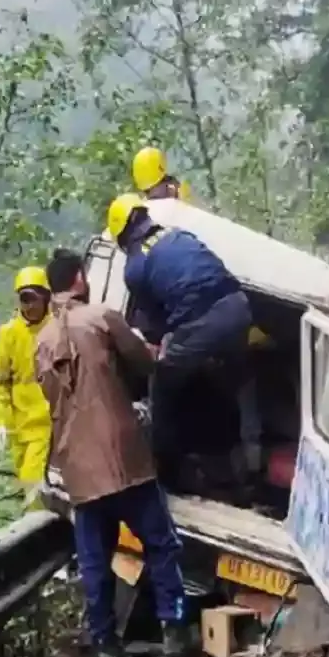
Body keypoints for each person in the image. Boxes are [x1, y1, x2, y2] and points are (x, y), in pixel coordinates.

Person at [34, 248, 189, 657]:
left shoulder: (41, 343)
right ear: (81, 279)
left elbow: (55, 401)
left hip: (79, 473)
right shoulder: (102, 317)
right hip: (124, 459)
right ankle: (174, 631)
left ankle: (106, 650)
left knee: (95, 563)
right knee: (160, 544)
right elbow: (144, 361)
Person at [105, 194, 261, 480]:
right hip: (238, 306)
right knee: (241, 379)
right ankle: (253, 459)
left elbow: (155, 326)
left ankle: (165, 468)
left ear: (121, 235)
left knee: (162, 383)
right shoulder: (178, 234)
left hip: (203, 323)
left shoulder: (136, 266)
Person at [0, 266, 53, 510]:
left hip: (48, 426)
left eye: (32, 298)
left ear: (46, 297)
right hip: (20, 429)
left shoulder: (57, 328)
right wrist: (1, 422)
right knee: (28, 485)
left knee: (35, 490)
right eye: (23, 298)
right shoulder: (9, 334)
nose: (28, 305)